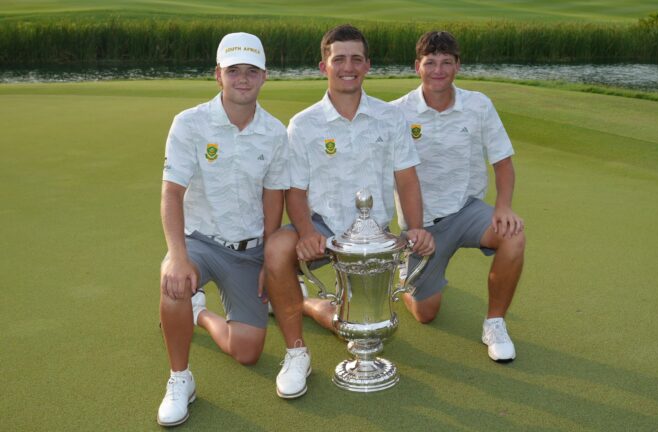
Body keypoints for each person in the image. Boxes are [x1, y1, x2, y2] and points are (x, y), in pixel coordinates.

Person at [263, 24, 435, 398]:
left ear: (368, 65)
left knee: (351, 324)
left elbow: (407, 180)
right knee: (277, 248)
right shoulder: (304, 124)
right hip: (323, 229)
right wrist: (307, 233)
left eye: (356, 59)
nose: (348, 66)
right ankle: (296, 353)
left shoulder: (391, 118)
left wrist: (416, 229)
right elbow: (296, 190)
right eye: (338, 58)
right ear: (323, 65)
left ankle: (306, 302)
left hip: (374, 240)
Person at [156, 32, 289, 426]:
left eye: (251, 71)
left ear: (265, 76)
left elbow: (273, 198)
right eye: (234, 71)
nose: (242, 79)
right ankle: (181, 379)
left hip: (248, 252)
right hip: (200, 242)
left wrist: (269, 258)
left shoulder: (276, 132)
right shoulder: (189, 123)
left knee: (247, 352)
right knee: (174, 280)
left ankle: (201, 314)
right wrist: (177, 257)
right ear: (219, 75)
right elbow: (171, 193)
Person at [390, 31, 526, 362]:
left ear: (458, 66)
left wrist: (503, 207)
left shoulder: (478, 105)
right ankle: (408, 278)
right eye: (430, 62)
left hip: (467, 212)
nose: (438, 70)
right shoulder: (396, 113)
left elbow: (503, 164)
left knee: (514, 235)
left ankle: (494, 323)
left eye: (446, 62)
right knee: (426, 313)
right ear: (417, 67)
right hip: (422, 227)